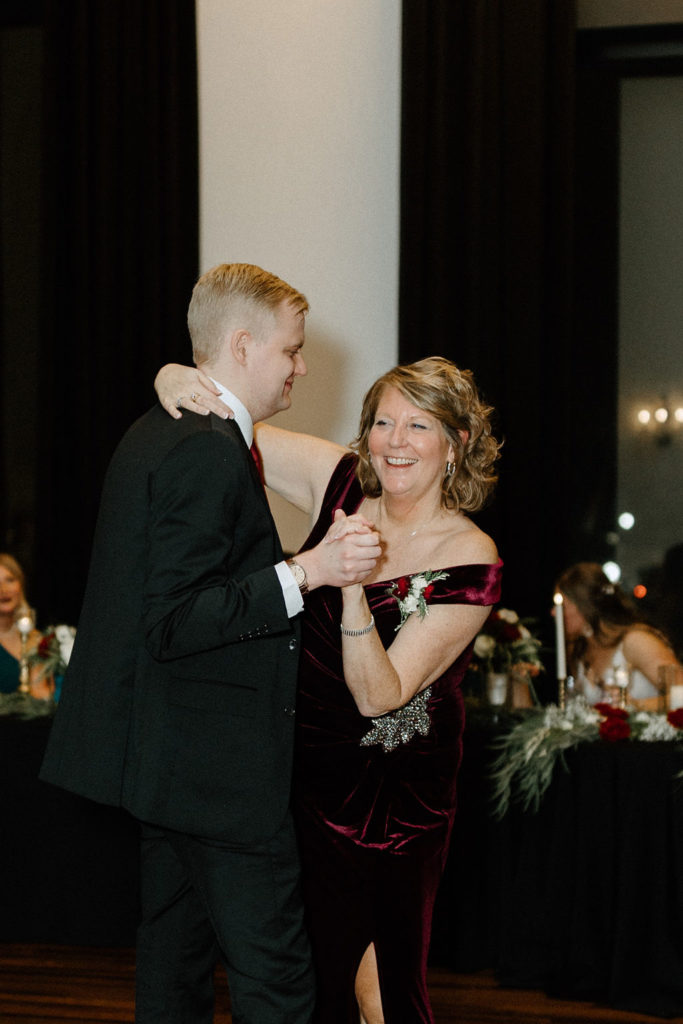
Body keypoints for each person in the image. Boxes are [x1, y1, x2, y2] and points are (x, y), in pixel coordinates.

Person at [40, 263, 382, 1024]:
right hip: (218, 775)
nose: (300, 366)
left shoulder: (168, 427)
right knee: (276, 978)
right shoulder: (200, 446)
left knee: (175, 961)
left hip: (174, 764)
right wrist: (309, 570)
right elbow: (175, 619)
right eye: (291, 350)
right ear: (240, 345)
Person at [155, 354, 503, 1023]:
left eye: (418, 425)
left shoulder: (469, 555)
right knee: (304, 978)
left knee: (381, 990)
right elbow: (230, 419)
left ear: (456, 443)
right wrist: (171, 379)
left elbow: (380, 695)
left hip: (394, 807)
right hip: (300, 783)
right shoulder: (339, 481)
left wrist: (347, 589)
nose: (394, 441)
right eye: (381, 421)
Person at [556, 562, 680, 704]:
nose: (554, 612)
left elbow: (681, 695)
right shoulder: (579, 648)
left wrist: (635, 706)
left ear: (584, 606)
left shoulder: (636, 641)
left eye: (561, 606)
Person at [0, 553, 52, 698]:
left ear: (20, 585)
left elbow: (44, 697)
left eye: (10, 580)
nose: (3, 589)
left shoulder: (38, 640)